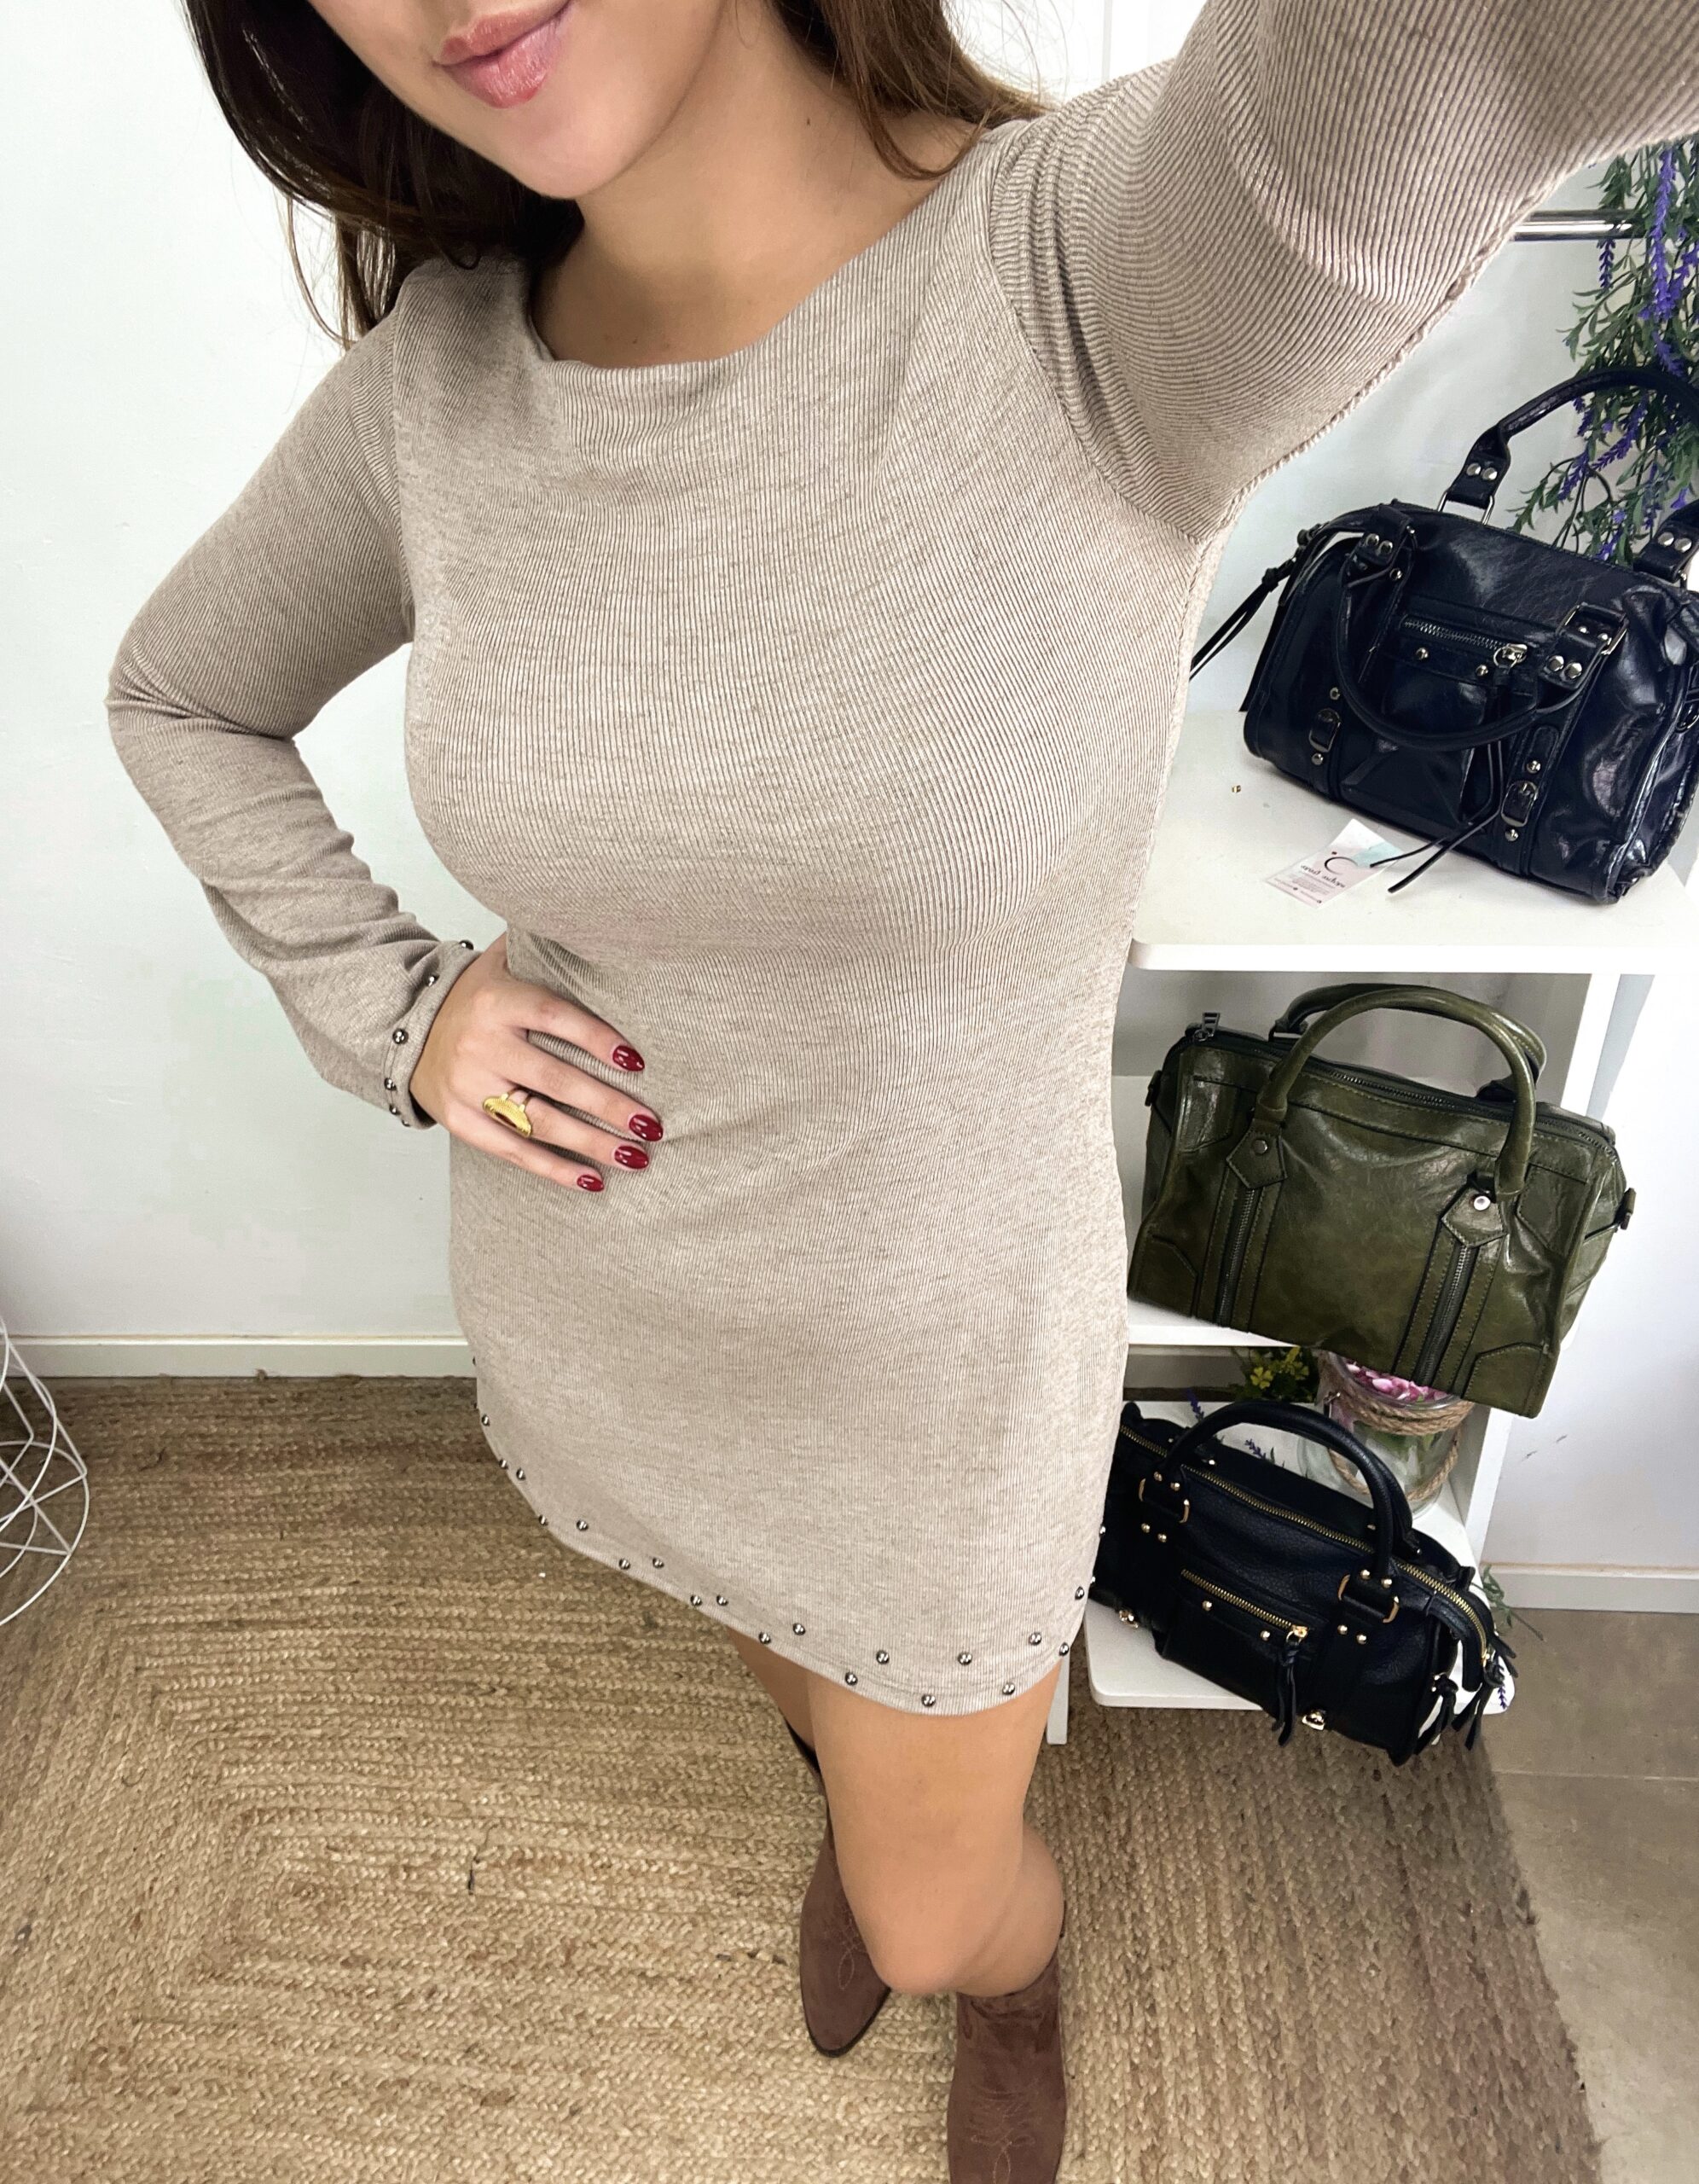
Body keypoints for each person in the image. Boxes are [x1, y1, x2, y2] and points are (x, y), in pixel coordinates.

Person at [105, 2, 1697, 2175]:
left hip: (932, 1387)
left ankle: (1001, 1960)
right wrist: (398, 1010)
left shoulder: (1092, 278)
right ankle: (866, 1798)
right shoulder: (437, 388)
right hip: (615, 1314)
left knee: (937, 1905)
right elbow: (182, 694)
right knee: (786, 1669)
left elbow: (1475, 47)